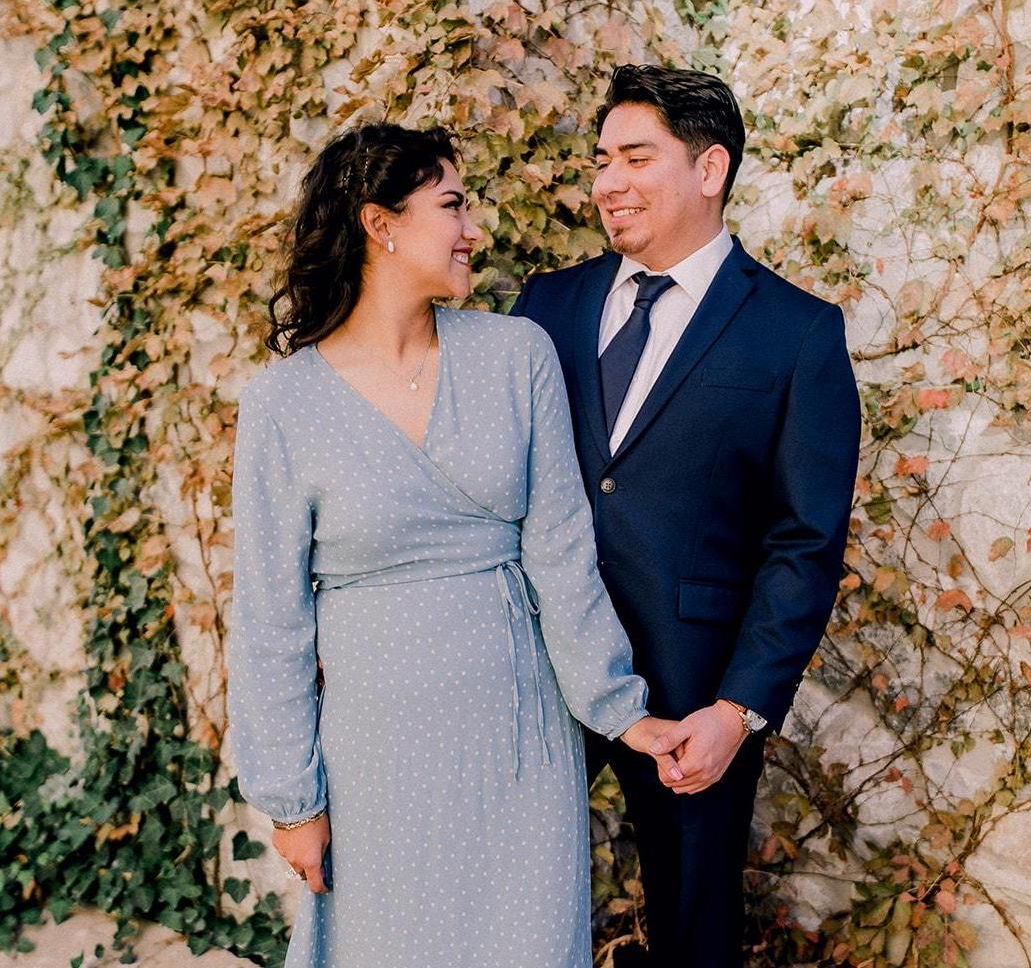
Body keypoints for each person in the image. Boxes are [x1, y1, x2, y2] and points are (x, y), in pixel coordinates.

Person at [227, 122, 682, 968]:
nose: (474, 230)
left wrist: (621, 708)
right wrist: (292, 799)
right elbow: (268, 621)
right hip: (375, 756)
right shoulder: (282, 405)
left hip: (519, 744)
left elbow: (561, 555)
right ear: (381, 224)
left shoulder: (516, 356)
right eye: (452, 206)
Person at [509, 65, 861, 967]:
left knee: (693, 927)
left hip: (692, 689)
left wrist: (738, 709)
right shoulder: (545, 305)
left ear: (710, 168)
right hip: (538, 661)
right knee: (500, 896)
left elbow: (804, 542)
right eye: (600, 160)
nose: (607, 182)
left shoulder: (796, 332)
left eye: (635, 158)